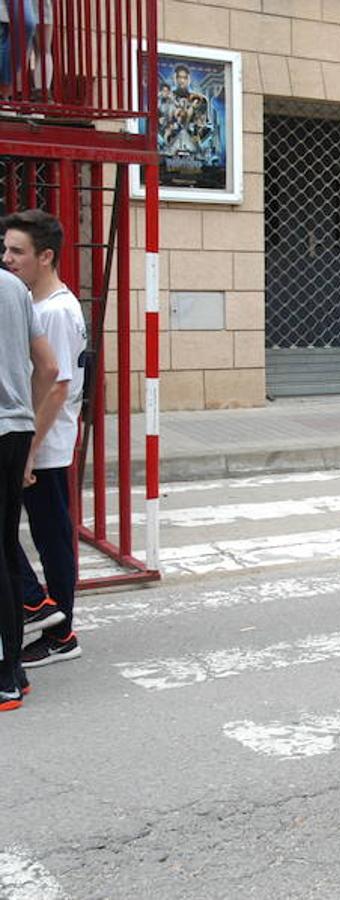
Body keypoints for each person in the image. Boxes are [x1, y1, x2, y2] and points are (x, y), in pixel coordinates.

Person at [2, 210, 85, 667]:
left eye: (18, 251)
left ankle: (59, 627)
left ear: (46, 256)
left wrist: (30, 452)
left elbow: (57, 384)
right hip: (39, 442)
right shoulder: (38, 304)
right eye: (6, 249)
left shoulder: (54, 310)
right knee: (43, 534)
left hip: (45, 447)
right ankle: (43, 610)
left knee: (52, 538)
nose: (7, 259)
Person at [1, 266, 59, 711]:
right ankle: (14, 671)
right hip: (16, 429)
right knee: (4, 550)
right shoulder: (13, 288)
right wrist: (23, 412)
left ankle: (6, 678)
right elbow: (50, 367)